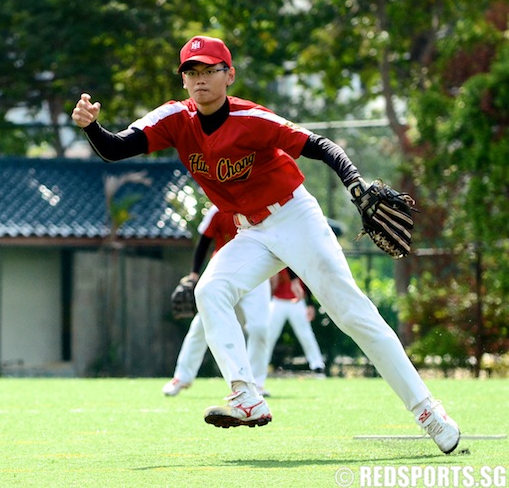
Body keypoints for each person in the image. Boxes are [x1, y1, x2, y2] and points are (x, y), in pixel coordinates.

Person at [71, 35, 460, 454]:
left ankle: (427, 411)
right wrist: (92, 126)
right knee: (211, 289)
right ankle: (247, 396)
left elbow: (320, 145)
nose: (199, 80)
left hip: (294, 218)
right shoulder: (174, 119)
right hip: (250, 232)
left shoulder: (251, 118)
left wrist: (354, 183)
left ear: (229, 74)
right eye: (191, 72)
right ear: (184, 81)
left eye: (208, 70)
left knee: (352, 313)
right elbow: (116, 148)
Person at [163, 204, 271, 397]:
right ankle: (182, 377)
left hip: (257, 273)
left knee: (260, 328)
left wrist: (294, 279)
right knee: (200, 327)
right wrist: (194, 275)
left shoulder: (260, 203)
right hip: (225, 272)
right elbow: (204, 241)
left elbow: (278, 242)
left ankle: (257, 383)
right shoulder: (218, 209)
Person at [253, 268, 326, 395]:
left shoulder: (297, 258)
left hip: (297, 301)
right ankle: (259, 371)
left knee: (306, 335)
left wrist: (310, 304)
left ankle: (317, 366)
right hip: (277, 301)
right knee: (267, 337)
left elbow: (306, 281)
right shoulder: (276, 256)